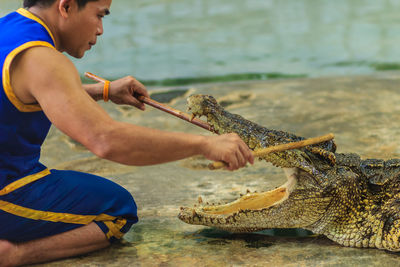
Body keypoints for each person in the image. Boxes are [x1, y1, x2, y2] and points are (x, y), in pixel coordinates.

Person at [0, 0, 254, 266]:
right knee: (117, 209)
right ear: (66, 6)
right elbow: (107, 140)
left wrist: (102, 91)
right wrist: (205, 145)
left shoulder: (9, 30)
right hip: (7, 190)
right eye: (99, 15)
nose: (100, 29)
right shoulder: (43, 59)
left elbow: (35, 91)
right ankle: (12, 254)